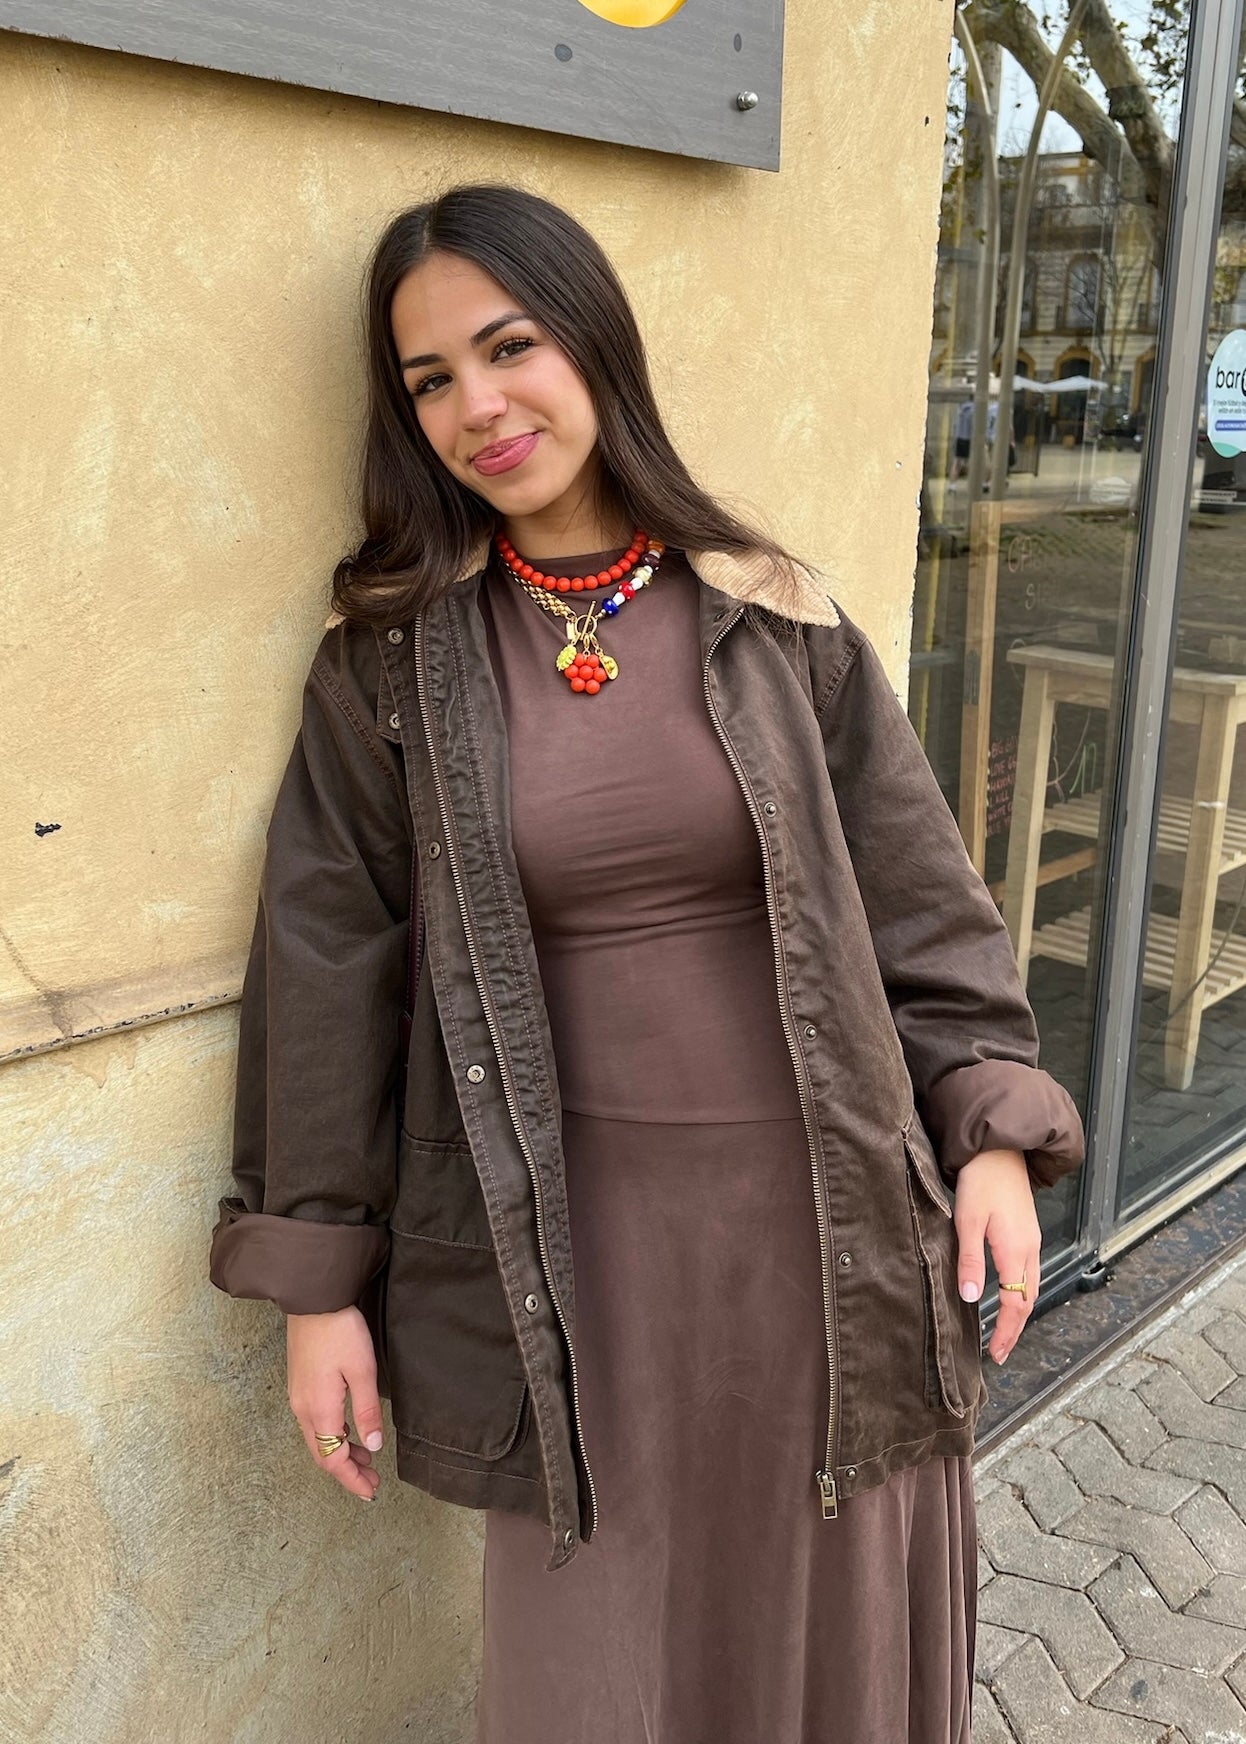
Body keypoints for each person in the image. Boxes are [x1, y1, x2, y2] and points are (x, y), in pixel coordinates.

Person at [209, 183, 1085, 1742]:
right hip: (564, 1272)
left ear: (592, 343)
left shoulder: (771, 615)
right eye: (429, 380)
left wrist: (993, 1135)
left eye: (509, 348)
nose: (478, 408)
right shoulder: (389, 665)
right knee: (592, 1667)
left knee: (826, 1636)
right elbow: (325, 969)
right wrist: (316, 1287)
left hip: (824, 1234)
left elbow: (921, 908)